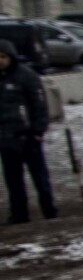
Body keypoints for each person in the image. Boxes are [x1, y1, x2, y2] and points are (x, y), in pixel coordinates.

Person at [0, 39, 57, 223]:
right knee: (13, 179)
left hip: (27, 135)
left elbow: (39, 105)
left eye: (3, 57)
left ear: (11, 57)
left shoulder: (26, 76)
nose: (0, 60)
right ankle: (19, 213)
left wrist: (38, 131)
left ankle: (49, 209)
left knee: (39, 176)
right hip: (5, 137)